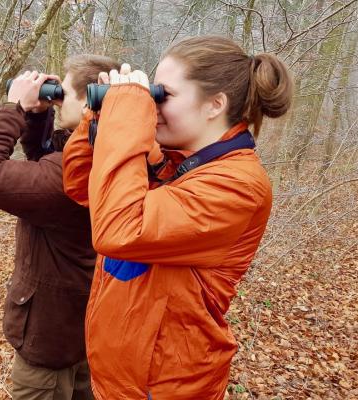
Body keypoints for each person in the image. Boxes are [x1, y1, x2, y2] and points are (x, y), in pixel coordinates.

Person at [62, 36, 293, 399]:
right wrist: (102, 114)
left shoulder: (238, 185)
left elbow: (120, 230)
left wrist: (128, 116)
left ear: (215, 105)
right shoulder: (176, 162)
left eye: (162, 95)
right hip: (123, 377)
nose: (152, 106)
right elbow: (79, 186)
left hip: (167, 386)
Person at [0, 54, 120, 400]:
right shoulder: (112, 151)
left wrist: (13, 107)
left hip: (48, 347)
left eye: (62, 94)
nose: (55, 99)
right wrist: (37, 118)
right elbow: (47, 160)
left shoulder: (66, 177)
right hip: (82, 331)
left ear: (89, 103)